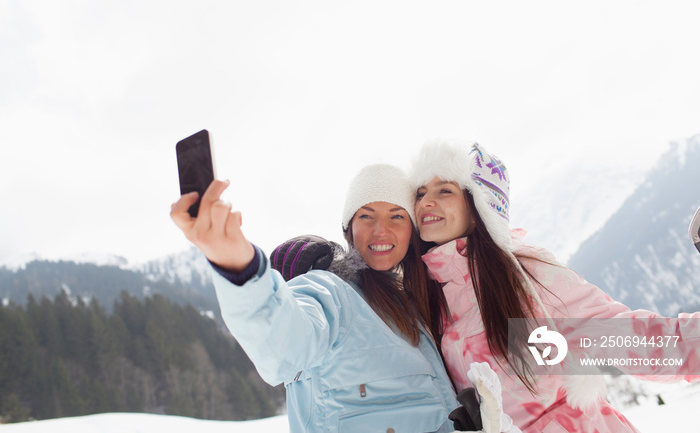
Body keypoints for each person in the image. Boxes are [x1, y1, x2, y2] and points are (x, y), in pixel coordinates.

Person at [408, 139, 700, 433]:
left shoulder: (524, 276)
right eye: (420, 193)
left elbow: (625, 337)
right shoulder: (429, 299)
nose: (425, 202)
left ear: (479, 207)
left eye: (444, 190)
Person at [170, 163, 461, 432]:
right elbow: (282, 345)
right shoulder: (332, 293)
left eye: (396, 216)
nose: (380, 230)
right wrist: (235, 262)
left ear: (412, 229)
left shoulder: (419, 304)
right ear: (349, 229)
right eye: (366, 216)